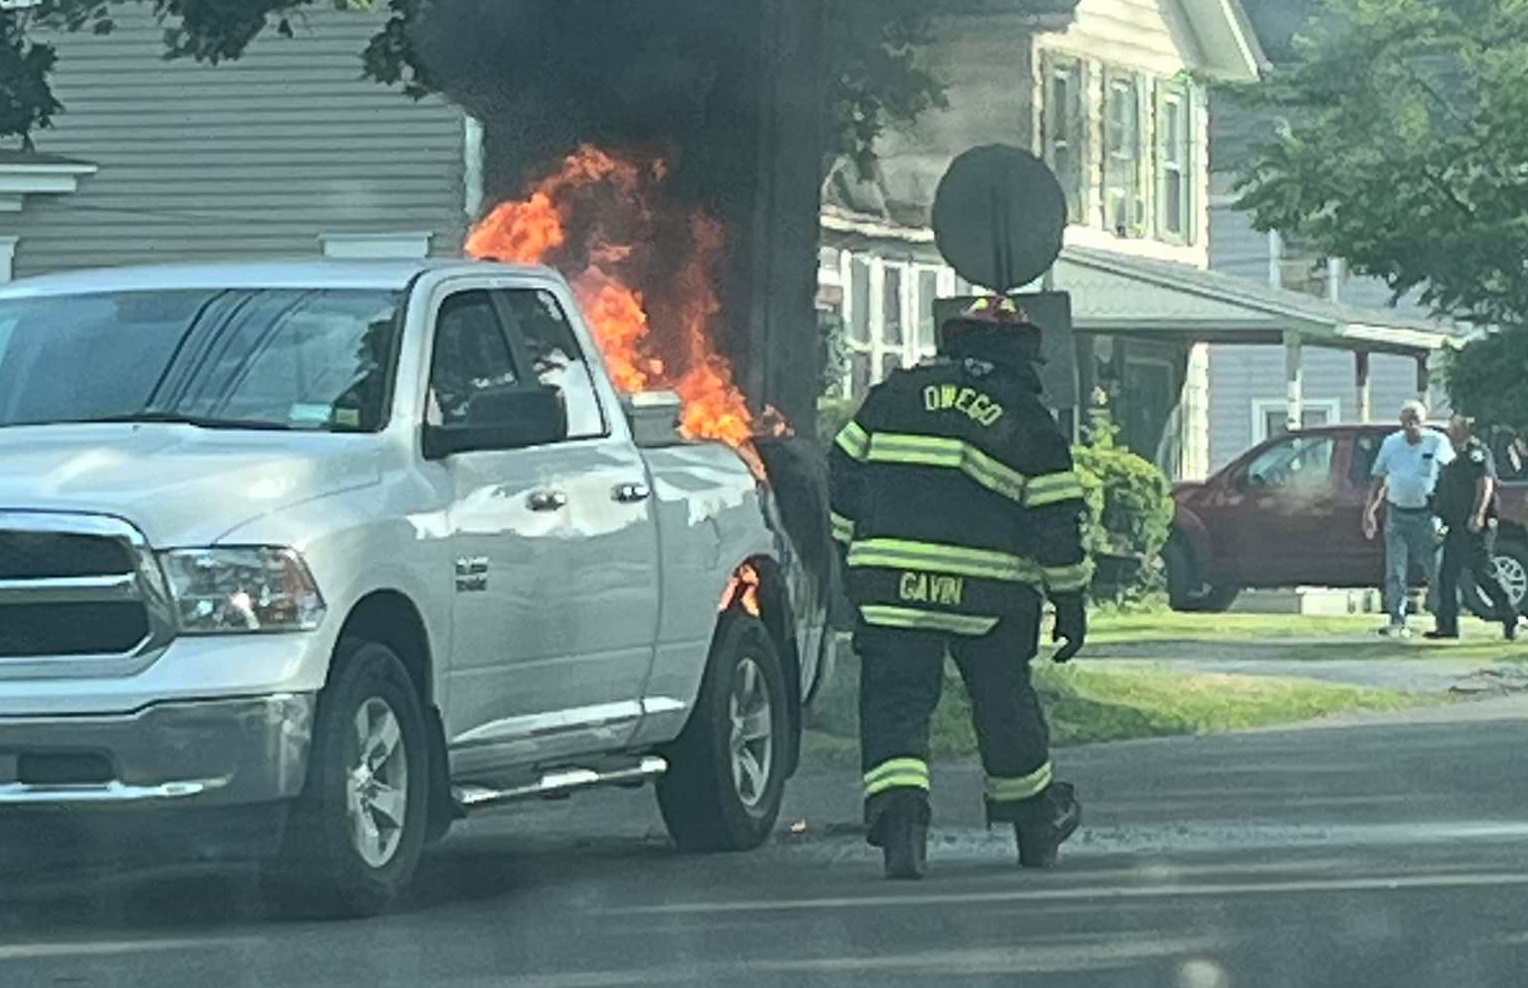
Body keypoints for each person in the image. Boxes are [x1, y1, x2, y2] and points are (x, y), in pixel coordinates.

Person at [827, 294, 1089, 880]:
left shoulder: (894, 396)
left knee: (895, 702)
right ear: (1022, 354)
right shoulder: (1028, 419)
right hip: (988, 596)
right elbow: (1056, 522)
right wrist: (1069, 601)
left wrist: (852, 550)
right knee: (1003, 700)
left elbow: (841, 472)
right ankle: (1034, 819)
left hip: (890, 584)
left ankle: (901, 821)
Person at [1363, 400, 1452, 637]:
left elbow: (1450, 475)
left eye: (1416, 418)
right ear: (1401, 421)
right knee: (1395, 569)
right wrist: (1370, 511)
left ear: (1424, 420)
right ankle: (1397, 618)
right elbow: (1379, 478)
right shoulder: (1391, 443)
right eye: (1407, 419)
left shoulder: (1437, 442)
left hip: (1428, 516)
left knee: (1435, 570)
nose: (1411, 424)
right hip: (1397, 513)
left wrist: (1448, 510)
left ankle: (1441, 618)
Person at [1428, 415, 1519, 641]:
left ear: (1464, 431)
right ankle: (1447, 627)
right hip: (1455, 525)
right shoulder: (1454, 456)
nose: (1449, 433)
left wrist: (1477, 514)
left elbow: (1484, 484)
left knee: (1481, 572)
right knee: (1447, 575)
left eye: (1453, 429)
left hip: (1475, 526)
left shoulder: (1476, 453)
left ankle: (1509, 616)